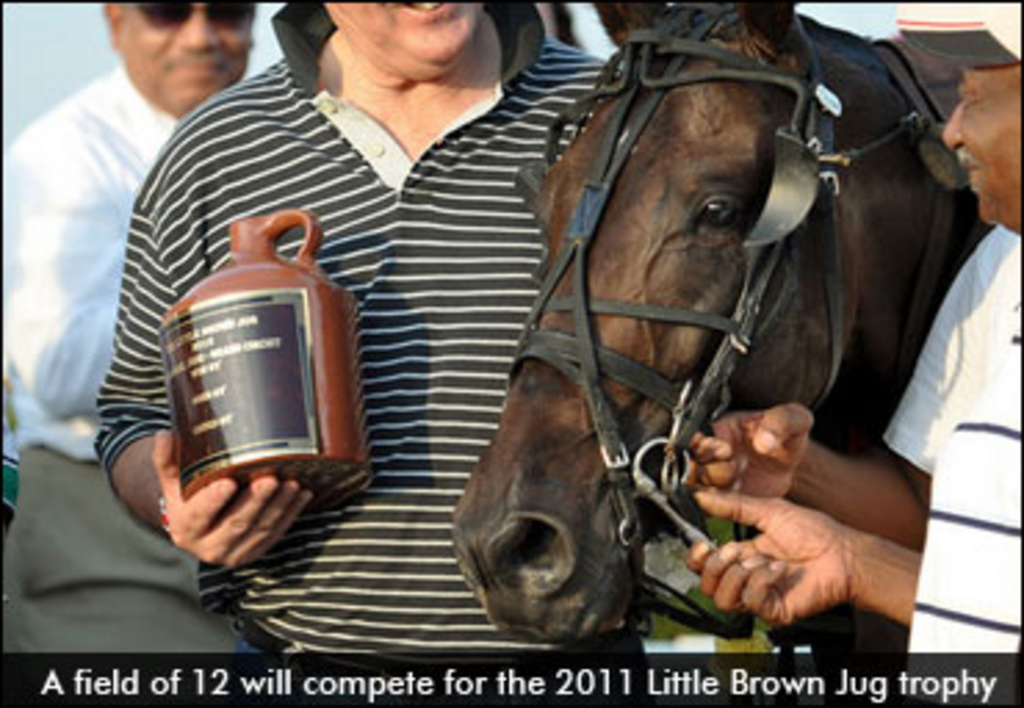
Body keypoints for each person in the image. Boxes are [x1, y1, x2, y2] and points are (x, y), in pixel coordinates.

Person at [95, 4, 607, 658]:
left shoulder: (612, 112)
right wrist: (176, 506)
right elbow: (134, 414)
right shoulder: (215, 149)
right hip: (301, 669)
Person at [685, 3, 1021, 653]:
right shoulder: (1001, 266)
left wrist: (864, 569)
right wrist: (799, 475)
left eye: (974, 97)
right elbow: (931, 519)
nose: (951, 132)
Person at [3, 3, 255, 652]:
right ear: (116, 22)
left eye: (228, 11)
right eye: (168, 12)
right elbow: (56, 371)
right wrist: (247, 322)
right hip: (101, 526)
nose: (201, 37)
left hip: (280, 513)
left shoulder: (293, 133)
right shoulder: (59, 153)